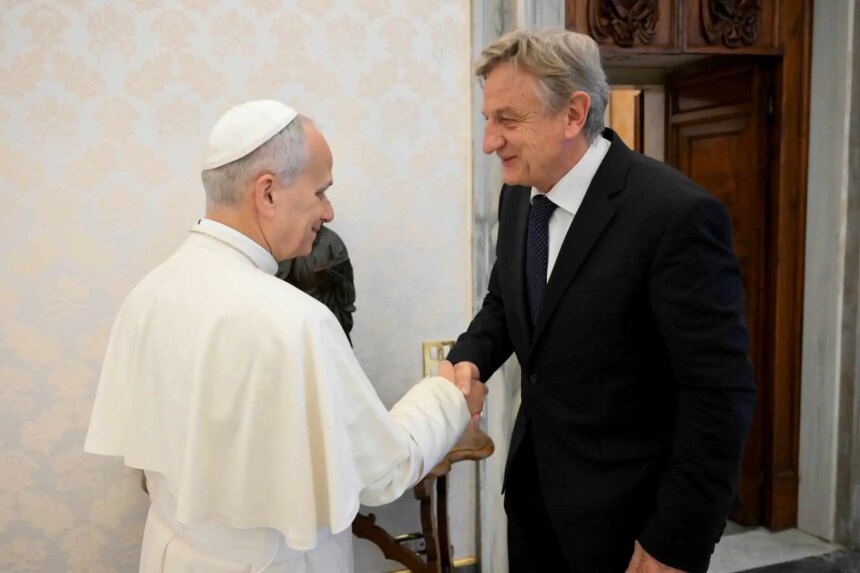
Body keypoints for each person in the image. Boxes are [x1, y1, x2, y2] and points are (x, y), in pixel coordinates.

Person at [85, 100, 486, 573]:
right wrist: (448, 396)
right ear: (268, 193)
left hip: (172, 552)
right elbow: (383, 472)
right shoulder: (297, 322)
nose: (328, 211)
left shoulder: (150, 292)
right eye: (321, 192)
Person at [446, 29, 756, 573]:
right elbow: (506, 300)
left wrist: (676, 540)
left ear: (573, 114)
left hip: (631, 526)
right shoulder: (520, 193)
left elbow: (718, 396)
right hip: (533, 501)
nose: (490, 142)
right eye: (488, 120)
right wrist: (470, 357)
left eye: (508, 120)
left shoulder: (674, 214)